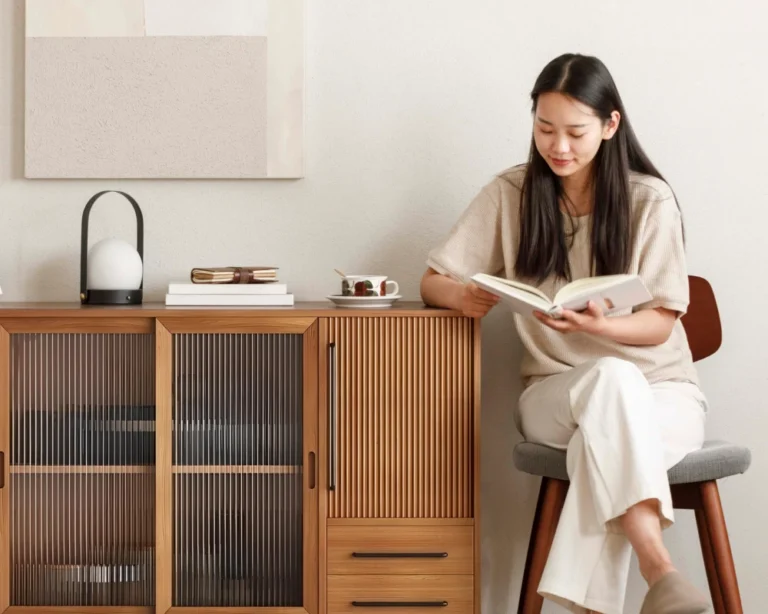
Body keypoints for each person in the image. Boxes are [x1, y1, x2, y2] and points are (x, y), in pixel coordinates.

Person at [420, 53, 713, 614]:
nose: (559, 146)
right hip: (554, 395)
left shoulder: (648, 200)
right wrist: (464, 295)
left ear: (610, 125)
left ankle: (633, 589)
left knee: (597, 442)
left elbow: (660, 325)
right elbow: (433, 279)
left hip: (665, 396)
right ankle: (659, 568)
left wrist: (606, 325)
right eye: (544, 128)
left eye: (576, 132)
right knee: (607, 379)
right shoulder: (510, 193)